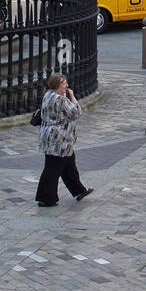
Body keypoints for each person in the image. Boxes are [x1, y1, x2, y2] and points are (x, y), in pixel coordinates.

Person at [36, 72, 92, 206]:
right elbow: (75, 112)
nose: (66, 85)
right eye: (63, 83)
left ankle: (78, 190)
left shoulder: (48, 95)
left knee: (69, 165)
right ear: (57, 85)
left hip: (53, 139)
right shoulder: (60, 99)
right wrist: (72, 96)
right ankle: (46, 198)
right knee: (52, 169)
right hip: (59, 140)